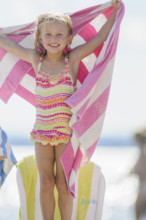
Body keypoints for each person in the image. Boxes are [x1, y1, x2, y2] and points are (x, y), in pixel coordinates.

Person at [0, 1, 121, 219]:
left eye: (59, 35)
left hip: (65, 132)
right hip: (42, 131)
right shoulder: (36, 60)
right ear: (40, 38)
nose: (53, 39)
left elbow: (98, 40)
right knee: (46, 182)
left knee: (62, 183)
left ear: (69, 39)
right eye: (48, 35)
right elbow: (9, 44)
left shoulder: (71, 60)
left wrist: (114, 13)